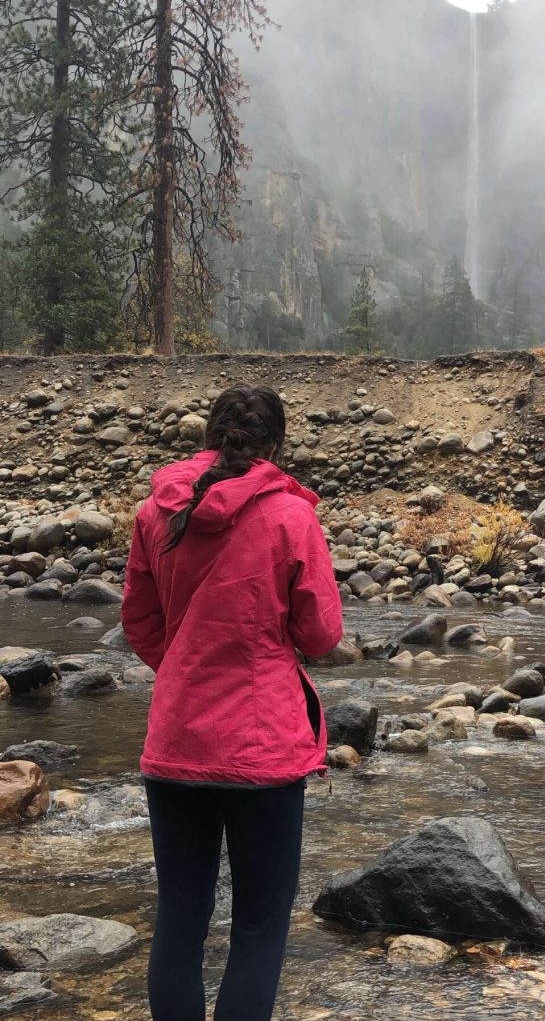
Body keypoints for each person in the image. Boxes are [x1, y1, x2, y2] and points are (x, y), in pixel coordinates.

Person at [121, 384, 343, 1021]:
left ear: (208, 437)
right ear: (274, 446)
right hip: (263, 748)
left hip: (175, 742)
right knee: (259, 924)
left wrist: (188, 670)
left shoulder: (153, 512)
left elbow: (140, 623)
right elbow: (322, 635)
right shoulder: (289, 516)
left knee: (180, 917)